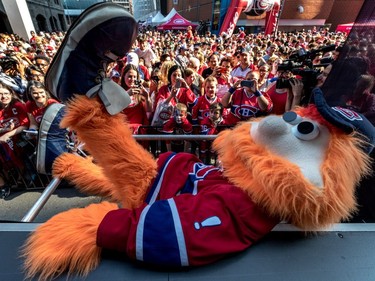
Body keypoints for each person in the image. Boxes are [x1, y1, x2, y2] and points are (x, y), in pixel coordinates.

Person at [0, 81, 29, 198]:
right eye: (0, 94)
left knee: (7, 145)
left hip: (19, 137)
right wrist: (3, 131)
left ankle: (20, 178)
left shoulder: (18, 106)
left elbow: (25, 125)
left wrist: (8, 134)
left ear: (11, 94)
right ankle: (3, 184)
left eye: (6, 93)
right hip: (2, 138)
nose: (4, 97)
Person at [120, 64, 152, 135]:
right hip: (122, 132)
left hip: (138, 133)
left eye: (135, 77)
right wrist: (126, 94)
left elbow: (149, 111)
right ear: (123, 76)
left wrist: (147, 98)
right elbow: (113, 109)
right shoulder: (117, 91)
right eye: (129, 76)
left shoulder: (141, 92)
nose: (132, 79)